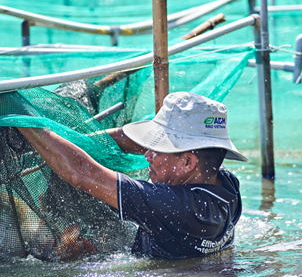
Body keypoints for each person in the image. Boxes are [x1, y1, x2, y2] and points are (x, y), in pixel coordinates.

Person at [18, 91, 248, 259]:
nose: (147, 155)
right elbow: (133, 141)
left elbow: (82, 174)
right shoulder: (226, 184)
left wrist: (21, 116)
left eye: (157, 149)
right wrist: (89, 140)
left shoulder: (174, 207)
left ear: (188, 161)